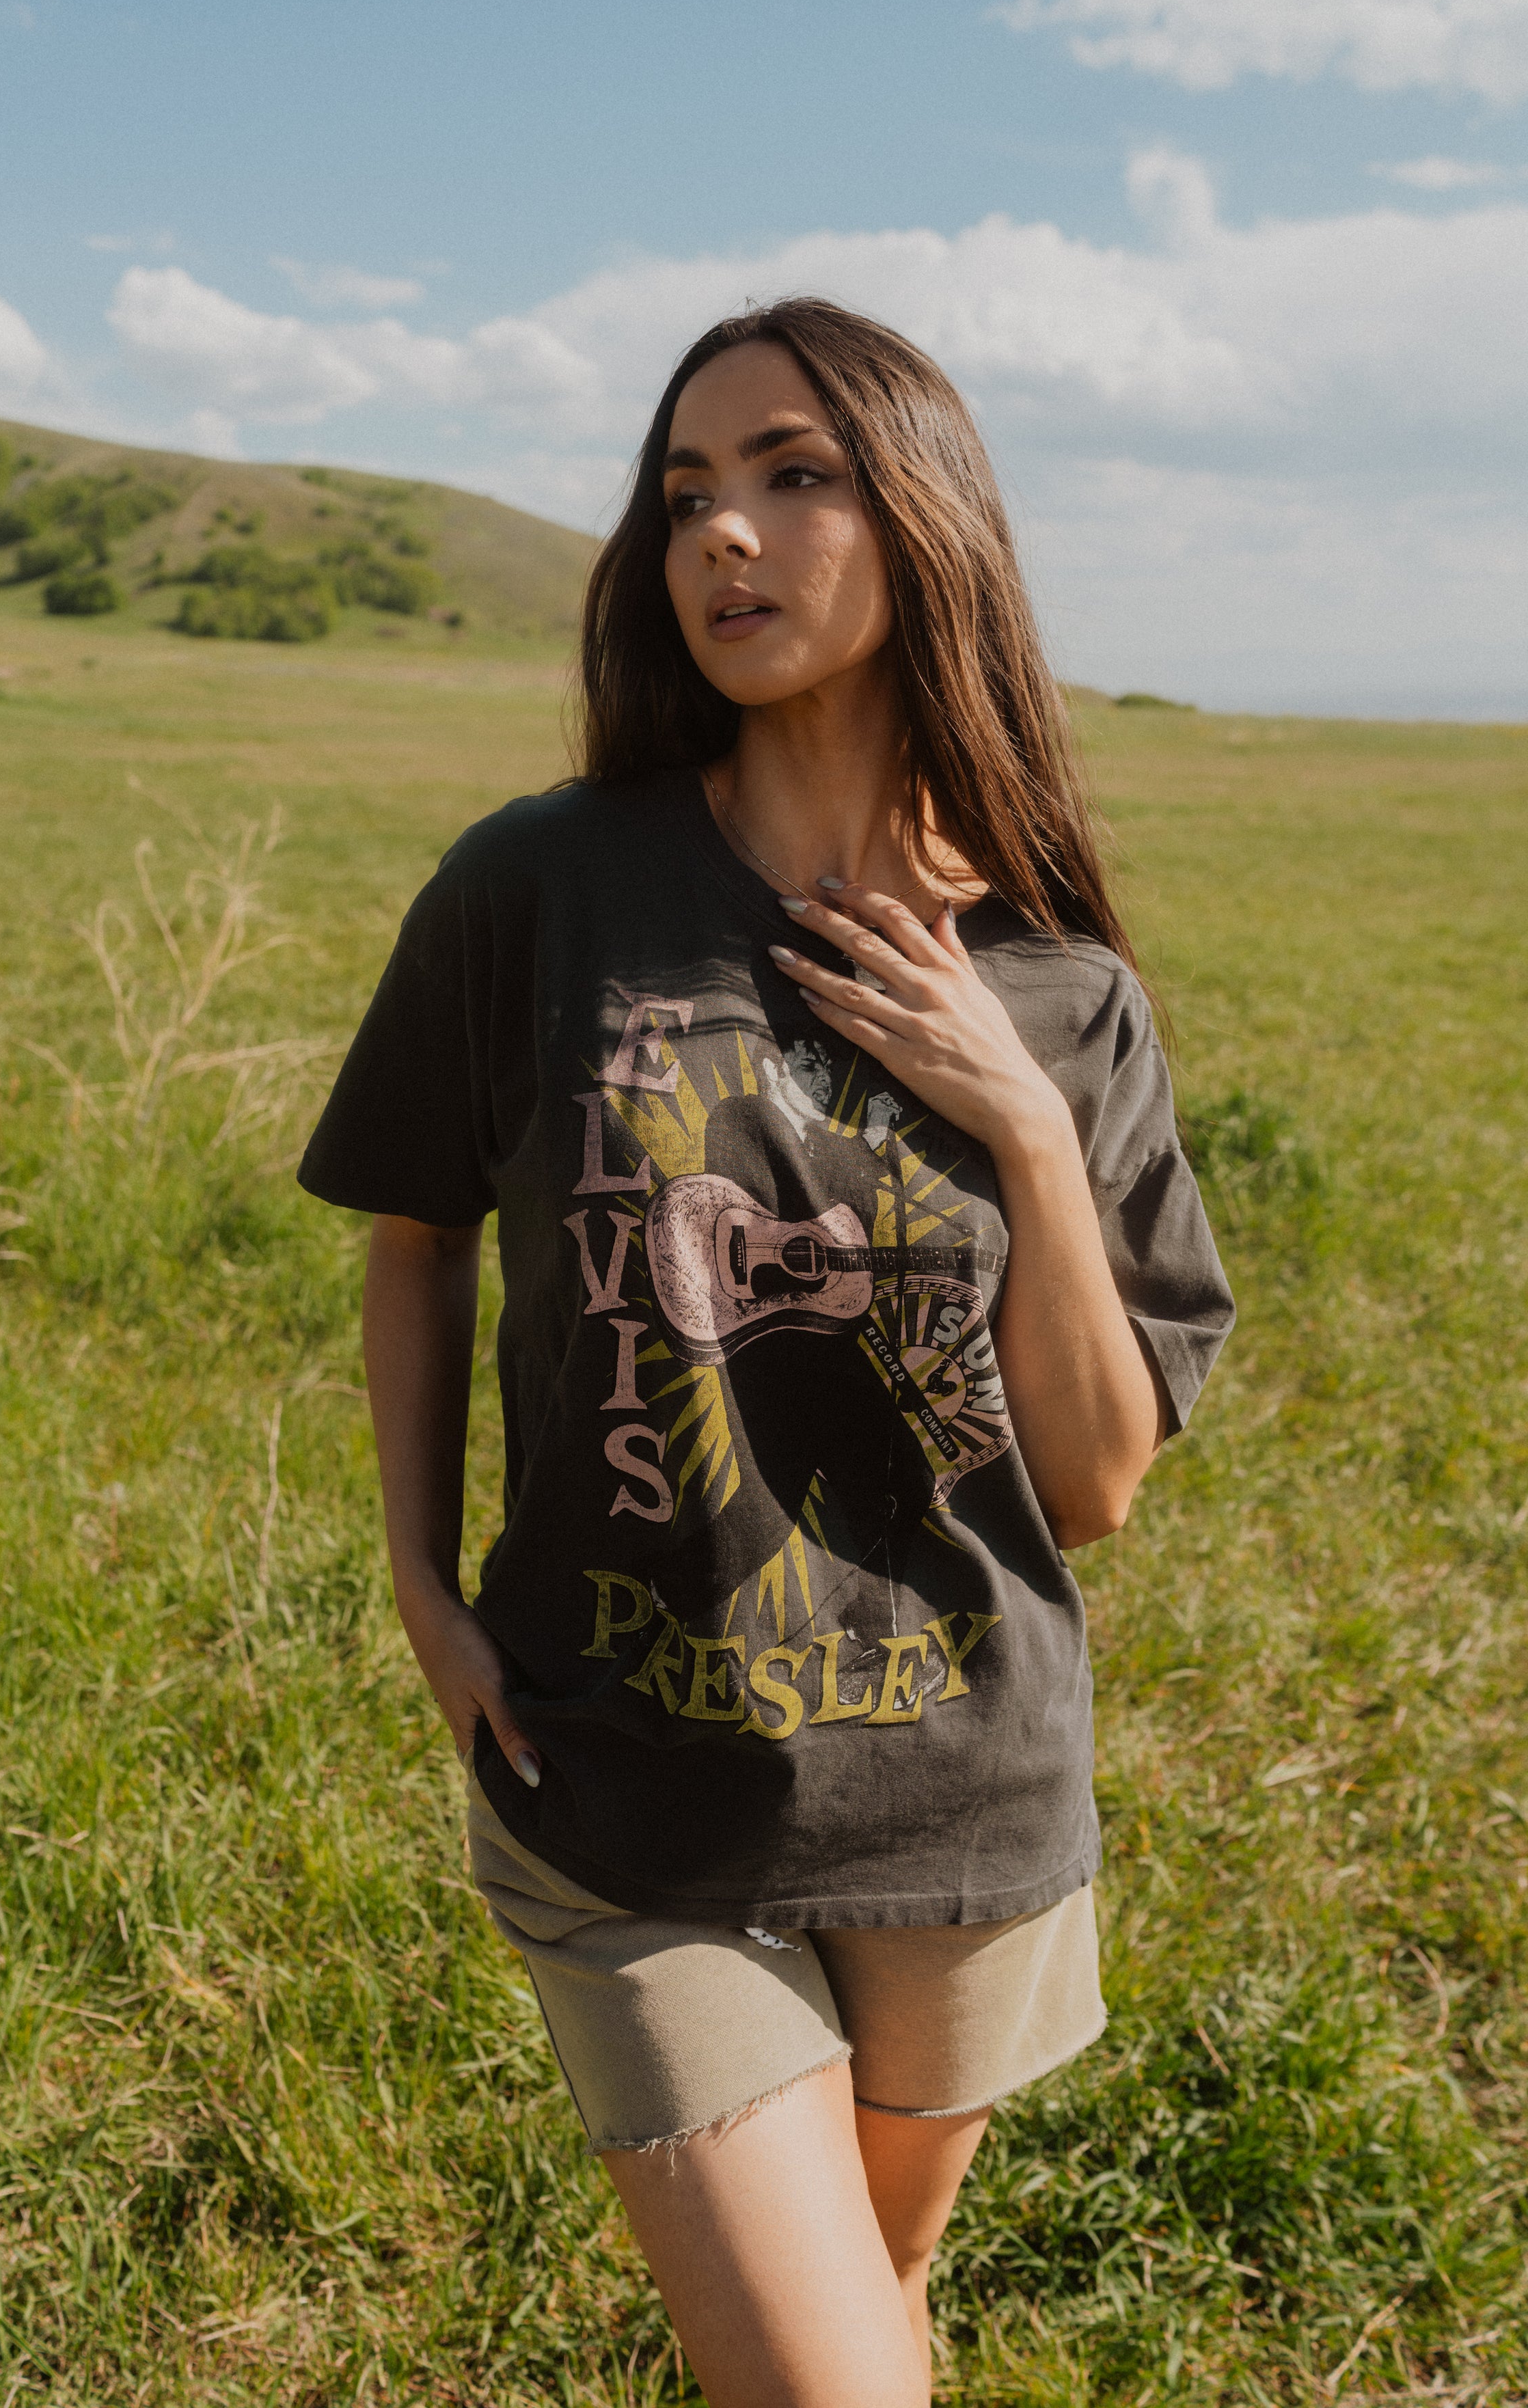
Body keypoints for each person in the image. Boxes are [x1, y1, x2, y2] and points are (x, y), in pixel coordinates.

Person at [299, 297, 1234, 2408]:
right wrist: (420, 1582)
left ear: (925, 523)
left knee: (877, 2299)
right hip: (624, 1783)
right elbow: (418, 1232)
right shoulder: (542, 890)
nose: (722, 534)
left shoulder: (1058, 989)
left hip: (964, 1802)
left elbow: (1093, 1485)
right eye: (686, 493)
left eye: (795, 476)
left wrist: (1024, 1128)